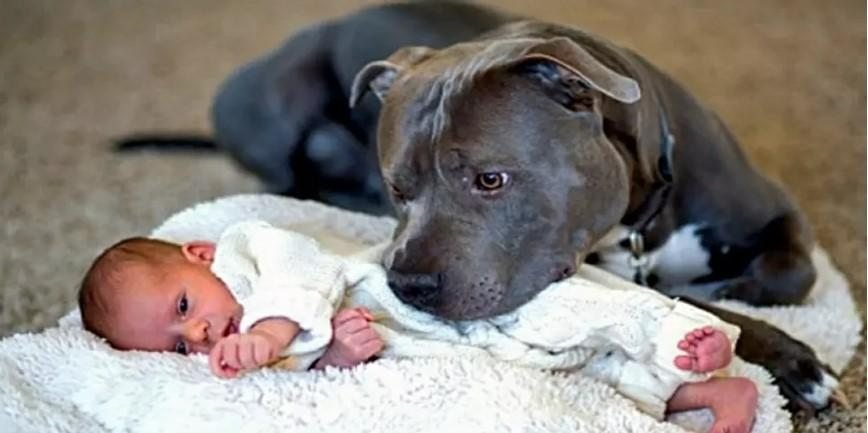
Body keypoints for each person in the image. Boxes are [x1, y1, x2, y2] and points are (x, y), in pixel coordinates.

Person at [79, 220, 757, 433]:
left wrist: (275, 332)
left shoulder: (245, 250)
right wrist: (338, 354)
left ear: (198, 258)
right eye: (174, 341)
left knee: (560, 308)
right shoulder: (244, 353)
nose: (196, 334)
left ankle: (673, 334)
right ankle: (698, 393)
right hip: (431, 345)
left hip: (436, 296)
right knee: (558, 365)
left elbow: (300, 272)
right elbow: (310, 386)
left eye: (182, 307)